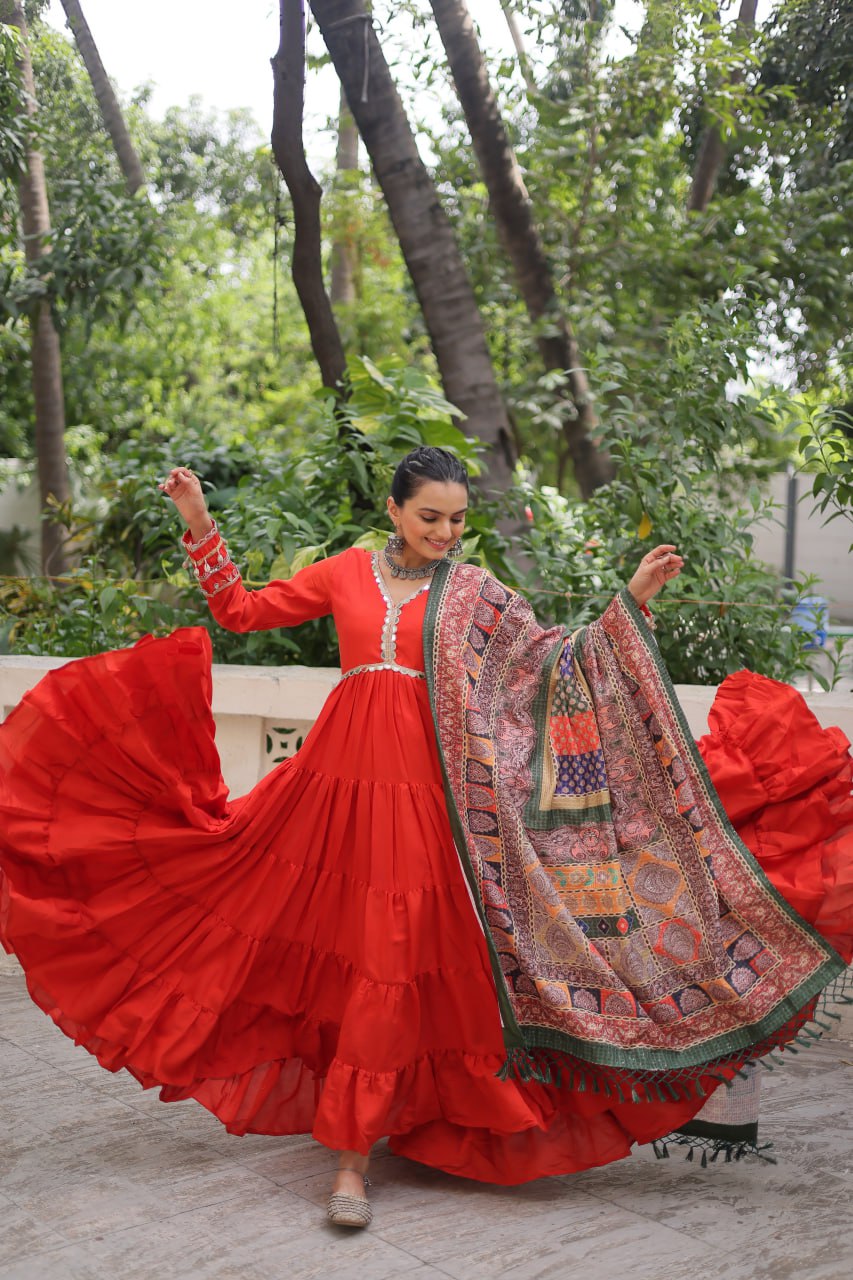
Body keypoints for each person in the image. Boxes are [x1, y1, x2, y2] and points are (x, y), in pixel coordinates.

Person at [0, 446, 850, 1231]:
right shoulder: (343, 575)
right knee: (315, 937)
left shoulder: (478, 594)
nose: (444, 533)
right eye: (429, 517)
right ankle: (351, 1144)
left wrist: (631, 601)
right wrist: (196, 517)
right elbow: (241, 609)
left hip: (433, 800)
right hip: (334, 792)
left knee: (399, 954)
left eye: (456, 520)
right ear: (394, 508)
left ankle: (357, 1156)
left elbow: (553, 665)